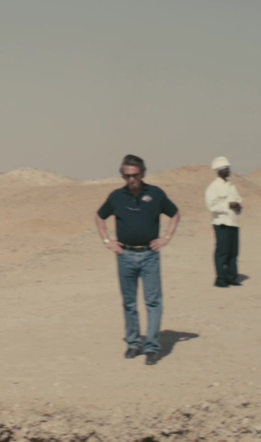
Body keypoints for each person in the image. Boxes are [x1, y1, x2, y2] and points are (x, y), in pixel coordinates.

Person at [94, 154, 181, 366]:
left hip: (149, 255)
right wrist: (107, 241)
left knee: (153, 302)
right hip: (125, 256)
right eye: (127, 176)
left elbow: (175, 213)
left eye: (135, 175)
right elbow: (99, 217)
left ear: (142, 174)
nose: (131, 180)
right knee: (129, 302)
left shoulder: (155, 194)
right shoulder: (117, 197)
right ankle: (133, 343)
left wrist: (166, 237)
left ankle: (152, 347)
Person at [205, 156, 243, 287]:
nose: (229, 171)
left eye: (228, 168)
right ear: (220, 171)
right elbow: (212, 206)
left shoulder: (231, 186)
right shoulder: (213, 187)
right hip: (221, 223)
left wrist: (238, 206)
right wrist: (228, 205)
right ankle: (220, 278)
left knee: (233, 251)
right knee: (222, 252)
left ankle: (232, 277)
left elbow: (238, 199)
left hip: (233, 222)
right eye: (226, 169)